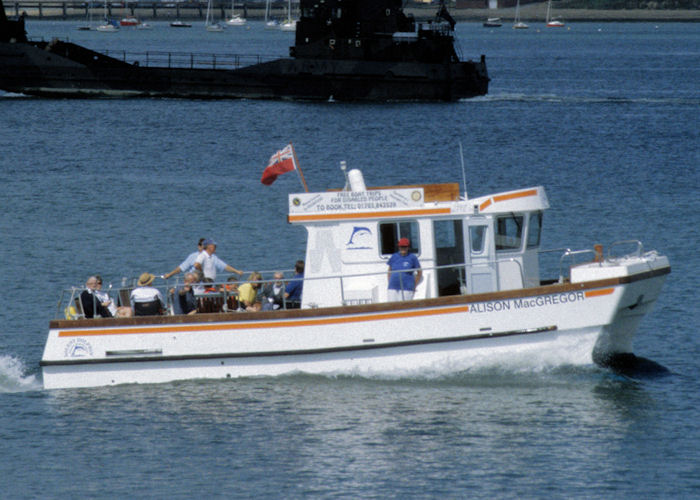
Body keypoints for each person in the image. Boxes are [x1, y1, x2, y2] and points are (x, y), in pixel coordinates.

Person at [387, 237, 422, 302]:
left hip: (407, 287)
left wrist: (414, 285)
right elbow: (389, 270)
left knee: (404, 307)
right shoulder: (394, 256)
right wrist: (389, 281)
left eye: (405, 247)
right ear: (399, 247)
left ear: (408, 247)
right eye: (401, 247)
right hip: (393, 286)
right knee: (392, 307)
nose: (403, 248)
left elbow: (419, 272)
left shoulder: (412, 257)